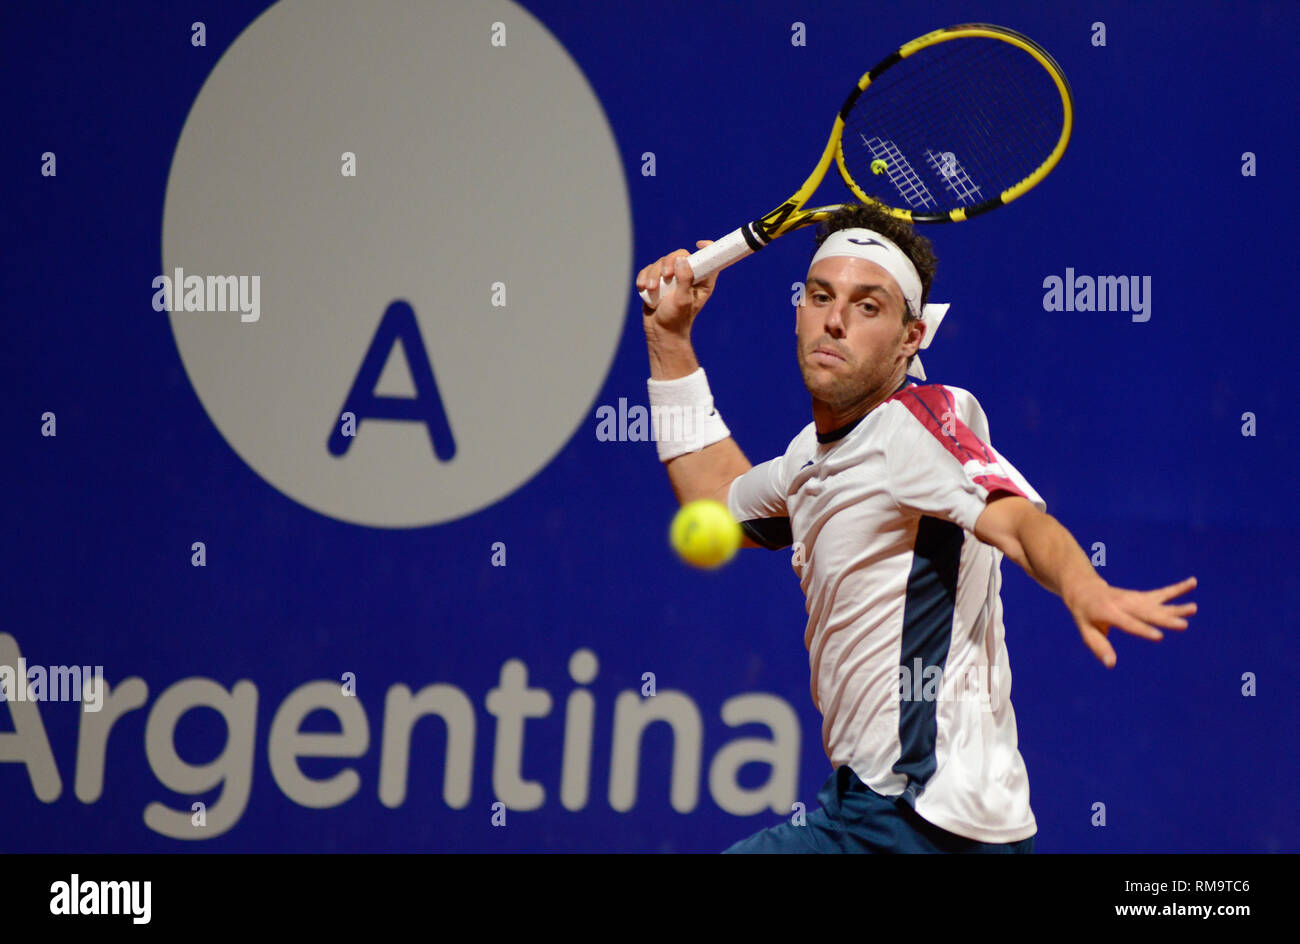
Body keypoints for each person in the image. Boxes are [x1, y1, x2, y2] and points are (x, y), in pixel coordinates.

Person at [636, 202, 1198, 853]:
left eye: (868, 306)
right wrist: (669, 340)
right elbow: (712, 498)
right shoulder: (807, 460)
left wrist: (1082, 585)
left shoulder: (922, 423)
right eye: (821, 296)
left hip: (926, 824)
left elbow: (1015, 521)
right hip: (866, 812)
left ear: (912, 337)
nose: (836, 319)